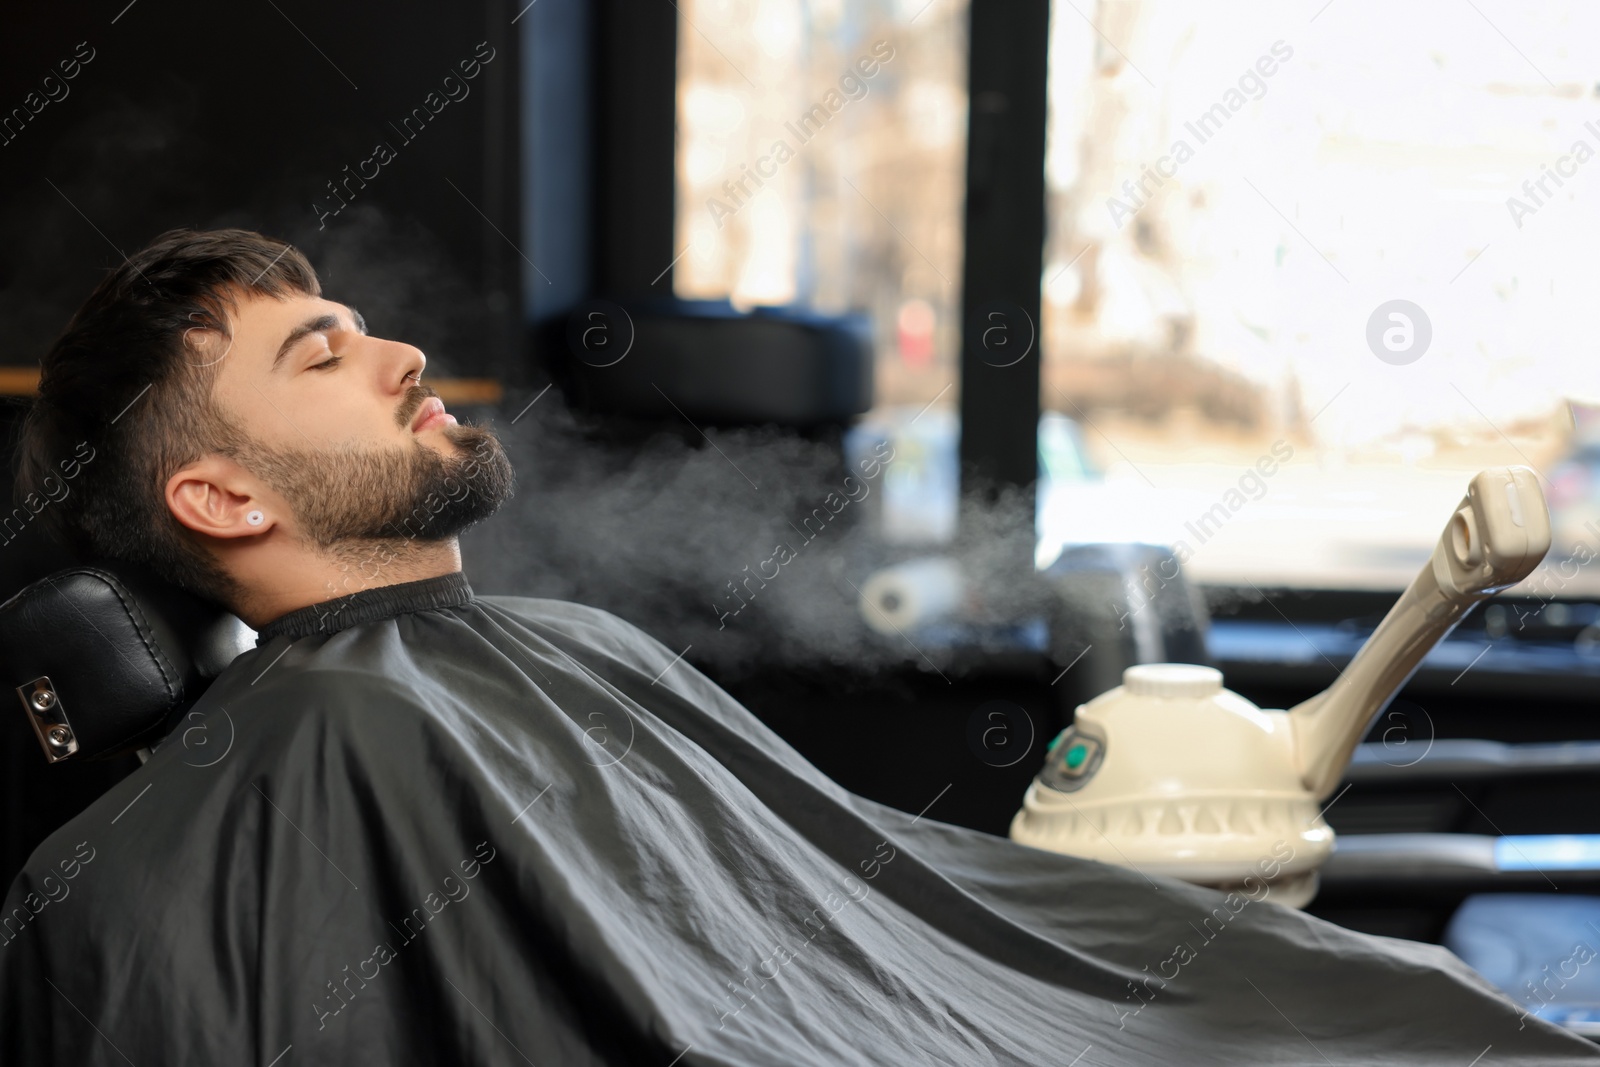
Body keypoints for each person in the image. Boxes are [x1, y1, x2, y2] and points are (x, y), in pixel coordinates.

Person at [0, 228, 1592, 1066]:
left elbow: (870, 914)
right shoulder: (341, 752)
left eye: (364, 320)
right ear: (216, 493)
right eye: (322, 354)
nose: (403, 349)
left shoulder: (545, 650)